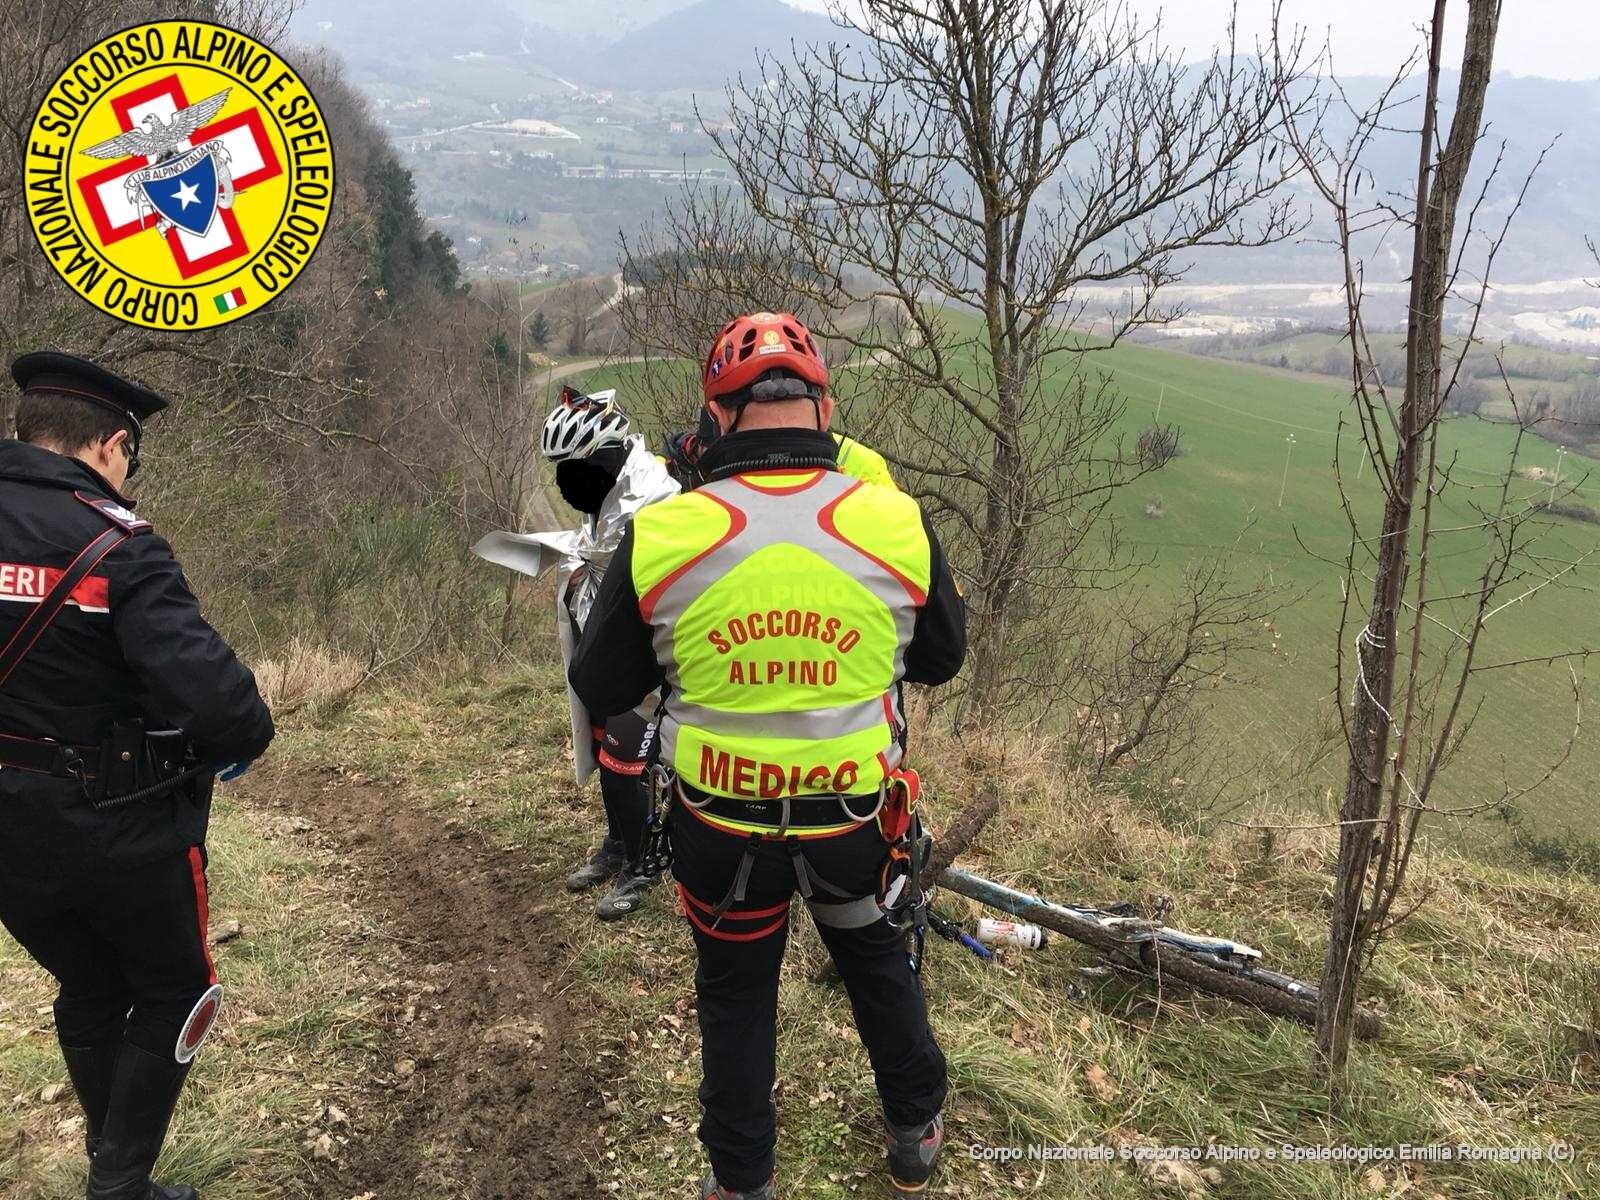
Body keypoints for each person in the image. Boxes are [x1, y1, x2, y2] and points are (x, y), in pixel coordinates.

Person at [570, 312, 966, 1198]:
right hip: (856, 820)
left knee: (737, 996)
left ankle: (740, 1182)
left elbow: (602, 683)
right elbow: (941, 658)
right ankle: (914, 1131)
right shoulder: (895, 520)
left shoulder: (667, 534)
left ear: (717, 418)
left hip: (722, 828)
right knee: (876, 967)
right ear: (823, 410)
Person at [0, 352, 275, 1200]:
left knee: (87, 982)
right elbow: (229, 713)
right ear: (113, 446)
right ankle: (119, 1185)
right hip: (119, 827)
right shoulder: (118, 548)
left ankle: (109, 1166)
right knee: (176, 992)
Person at [472, 385, 680, 920]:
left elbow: (632, 558)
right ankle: (617, 841)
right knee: (598, 740)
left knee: (624, 758)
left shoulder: (654, 498)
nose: (567, 488)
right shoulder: (607, 495)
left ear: (607, 459)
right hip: (611, 640)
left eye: (573, 473)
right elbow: (597, 547)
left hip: (653, 651)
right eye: (559, 473)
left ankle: (643, 864)